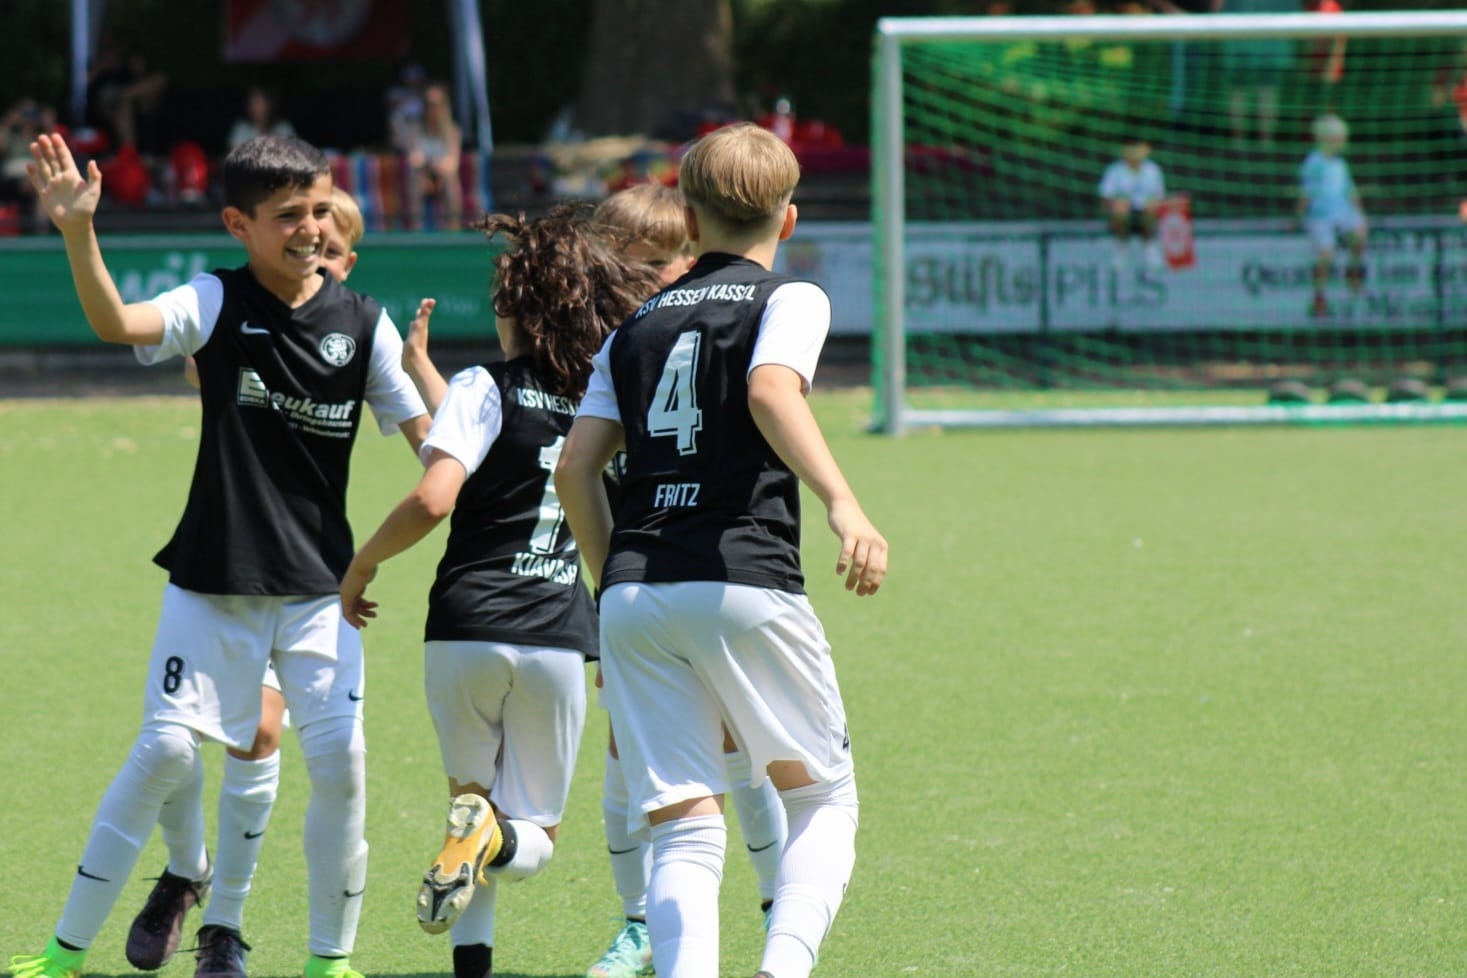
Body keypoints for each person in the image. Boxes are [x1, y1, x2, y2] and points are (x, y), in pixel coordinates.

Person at [11, 132, 431, 978]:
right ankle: (63, 954)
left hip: (318, 592)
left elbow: (437, 449)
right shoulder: (214, 299)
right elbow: (115, 323)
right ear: (240, 224)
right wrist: (77, 231)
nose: (312, 229)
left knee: (341, 765)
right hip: (212, 581)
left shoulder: (365, 322)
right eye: (289, 215)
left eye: (319, 210)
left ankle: (328, 962)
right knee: (166, 751)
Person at [554, 122, 888, 978]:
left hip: (634, 587)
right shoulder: (790, 298)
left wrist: (611, 583)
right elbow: (771, 390)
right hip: (742, 575)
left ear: (690, 222)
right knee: (821, 799)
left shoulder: (632, 328)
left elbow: (574, 469)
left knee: (683, 828)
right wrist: (842, 501)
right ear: (788, 217)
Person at [338, 206, 663, 978]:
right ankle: (490, 839)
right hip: (556, 636)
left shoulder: (484, 385)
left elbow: (436, 492)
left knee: (469, 808)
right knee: (528, 839)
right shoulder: (604, 401)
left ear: (511, 307)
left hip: (463, 631)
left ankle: (473, 956)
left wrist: (361, 564)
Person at [152, 185, 372, 978]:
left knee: (278, 741)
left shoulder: (354, 332)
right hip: (236, 565)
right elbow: (197, 364)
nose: (317, 257)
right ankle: (193, 879)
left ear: (348, 261)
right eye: (306, 237)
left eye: (333, 250)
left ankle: (224, 924)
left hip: (309, 577)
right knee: (190, 741)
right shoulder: (247, 317)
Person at [1298, 113, 1366, 317]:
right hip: (1321, 217)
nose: (1344, 143)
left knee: (1360, 232)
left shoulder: (1340, 164)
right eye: (1340, 138)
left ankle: (1353, 272)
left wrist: (1360, 209)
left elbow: (1350, 190)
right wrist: (1298, 215)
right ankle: (1319, 296)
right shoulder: (1314, 162)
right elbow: (1306, 193)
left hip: (1343, 213)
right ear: (1327, 139)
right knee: (1326, 255)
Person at [1216, 0, 1300, 148]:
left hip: (1244, 43)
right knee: (1264, 93)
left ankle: (1239, 144)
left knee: (1244, 93)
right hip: (1268, 45)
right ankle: (1264, 144)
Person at [1098, 136, 1166, 273]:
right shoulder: (1114, 171)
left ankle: (1150, 249)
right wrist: (1116, 204)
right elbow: (1105, 197)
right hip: (1124, 213)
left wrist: (1153, 203)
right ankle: (1121, 250)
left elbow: (1160, 198)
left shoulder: (1153, 170)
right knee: (1120, 210)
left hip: (1145, 212)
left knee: (1151, 210)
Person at [403, 82, 463, 231]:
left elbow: (452, 165)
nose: (432, 108)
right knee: (415, 181)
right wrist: (430, 168)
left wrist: (432, 166)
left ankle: (453, 230)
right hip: (422, 177)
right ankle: (415, 232)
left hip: (443, 178)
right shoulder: (415, 130)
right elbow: (413, 160)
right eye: (428, 104)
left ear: (444, 106)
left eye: (436, 104)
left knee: (450, 182)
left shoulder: (453, 131)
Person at [228, 86, 297, 152]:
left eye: (257, 101)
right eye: (251, 101)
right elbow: (233, 155)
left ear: (269, 104)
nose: (253, 105)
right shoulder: (241, 129)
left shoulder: (284, 129)